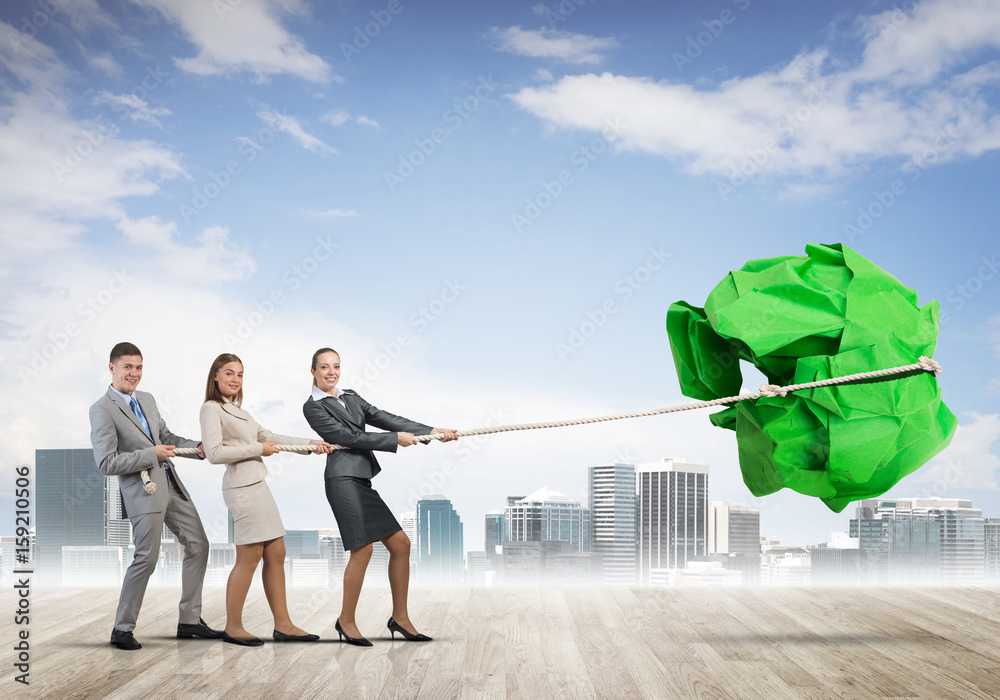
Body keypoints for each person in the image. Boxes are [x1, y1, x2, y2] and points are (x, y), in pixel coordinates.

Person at [302, 347, 457, 646]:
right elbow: (349, 438)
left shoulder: (351, 396)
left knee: (400, 544)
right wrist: (393, 440)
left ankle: (400, 618)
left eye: (336, 366)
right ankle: (345, 621)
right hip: (342, 480)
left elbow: (382, 417)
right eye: (324, 367)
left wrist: (432, 431)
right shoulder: (312, 407)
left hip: (361, 480)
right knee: (363, 550)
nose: (331, 372)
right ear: (313, 372)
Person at [90, 342, 222, 650]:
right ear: (112, 368)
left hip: (170, 483)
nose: (134, 373)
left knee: (199, 544)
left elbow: (166, 438)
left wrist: (197, 447)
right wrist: (151, 454)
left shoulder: (147, 399)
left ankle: (189, 620)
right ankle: (121, 629)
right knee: (147, 558)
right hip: (143, 490)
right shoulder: (102, 409)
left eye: (138, 367)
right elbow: (106, 463)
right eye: (127, 367)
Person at [199, 353, 334, 646]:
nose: (235, 379)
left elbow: (270, 436)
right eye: (229, 373)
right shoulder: (211, 409)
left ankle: (283, 624)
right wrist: (257, 448)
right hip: (242, 488)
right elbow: (214, 454)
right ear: (216, 377)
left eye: (240, 374)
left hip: (258, 486)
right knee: (249, 558)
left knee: (276, 553)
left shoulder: (240, 411)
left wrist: (310, 444)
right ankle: (233, 627)